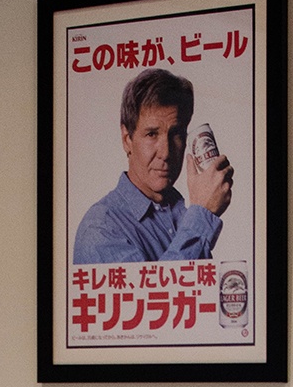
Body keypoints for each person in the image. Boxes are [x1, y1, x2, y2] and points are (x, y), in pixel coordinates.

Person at [73, 67, 233, 264]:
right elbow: (161, 294)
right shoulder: (100, 230)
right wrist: (203, 213)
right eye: (151, 134)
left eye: (175, 133)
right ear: (127, 140)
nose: (165, 153)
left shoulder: (180, 213)